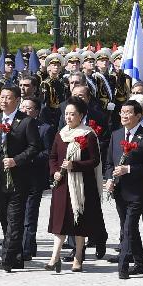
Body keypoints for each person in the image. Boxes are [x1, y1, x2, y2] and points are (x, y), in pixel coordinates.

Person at [0, 85, 41, 272]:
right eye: (2, 97)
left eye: (8, 98)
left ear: (17, 101)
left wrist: (16, 160)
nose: (4, 101)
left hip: (19, 179)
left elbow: (34, 147)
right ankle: (17, 256)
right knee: (4, 220)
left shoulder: (26, 122)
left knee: (15, 220)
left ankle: (7, 259)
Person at [47, 96, 103, 272]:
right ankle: (55, 257)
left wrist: (75, 165)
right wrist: (55, 171)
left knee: (79, 221)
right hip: (62, 184)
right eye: (66, 114)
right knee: (60, 221)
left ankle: (79, 255)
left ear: (81, 116)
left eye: (73, 114)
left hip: (82, 185)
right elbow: (53, 157)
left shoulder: (87, 135)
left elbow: (94, 161)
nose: (68, 118)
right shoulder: (61, 134)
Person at [104, 100, 143, 279]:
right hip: (120, 190)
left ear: (138, 115)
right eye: (122, 112)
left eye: (128, 112)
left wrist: (129, 169)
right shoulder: (116, 135)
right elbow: (110, 163)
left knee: (129, 227)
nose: (124, 116)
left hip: (138, 191)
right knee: (128, 227)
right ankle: (140, 262)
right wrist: (110, 179)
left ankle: (123, 265)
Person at [20, 97, 57, 262]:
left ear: (36, 111)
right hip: (17, 176)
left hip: (34, 177)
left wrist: (28, 158)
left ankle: (27, 247)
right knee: (17, 213)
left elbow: (49, 152)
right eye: (23, 107)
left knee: (30, 213)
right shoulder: (16, 125)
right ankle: (20, 244)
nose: (25, 111)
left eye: (28, 108)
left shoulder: (45, 129)